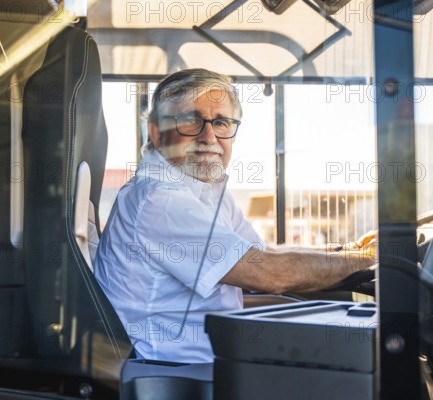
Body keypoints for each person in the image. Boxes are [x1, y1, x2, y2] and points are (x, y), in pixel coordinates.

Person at [94, 69, 375, 363]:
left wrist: (351, 250)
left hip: (214, 360)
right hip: (179, 374)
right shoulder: (160, 199)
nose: (209, 136)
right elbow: (270, 274)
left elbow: (261, 255)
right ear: (156, 131)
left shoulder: (202, 187)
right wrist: (368, 257)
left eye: (221, 122)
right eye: (191, 120)